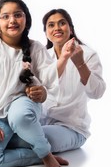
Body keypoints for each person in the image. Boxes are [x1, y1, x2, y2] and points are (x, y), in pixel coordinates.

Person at [0, 0, 68, 167]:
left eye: (17, 15)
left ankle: (45, 153)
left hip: (23, 106)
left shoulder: (35, 48)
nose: (12, 20)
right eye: (5, 16)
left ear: (26, 19)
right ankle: (35, 154)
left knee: (19, 115)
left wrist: (42, 93)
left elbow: (49, 81)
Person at [40, 8, 106, 152]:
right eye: (51, 25)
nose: (57, 28)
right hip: (41, 122)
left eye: (62, 23)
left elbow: (97, 93)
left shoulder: (88, 54)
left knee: (40, 139)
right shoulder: (43, 56)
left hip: (71, 128)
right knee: (27, 136)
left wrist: (80, 63)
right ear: (46, 32)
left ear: (70, 28)